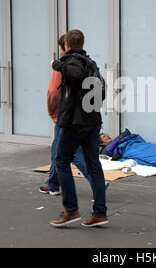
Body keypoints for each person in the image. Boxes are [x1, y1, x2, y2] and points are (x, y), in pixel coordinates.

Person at [50, 29, 108, 228]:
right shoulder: (91, 63)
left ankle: (70, 210)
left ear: (66, 45)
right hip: (92, 122)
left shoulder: (71, 61)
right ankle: (99, 213)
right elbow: (103, 91)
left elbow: (73, 73)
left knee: (61, 161)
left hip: (75, 123)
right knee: (94, 166)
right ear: (82, 44)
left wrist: (57, 64)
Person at [40, 34, 94, 195]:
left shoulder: (62, 65)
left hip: (65, 116)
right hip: (83, 114)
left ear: (66, 46)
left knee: (72, 152)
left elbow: (52, 94)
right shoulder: (87, 63)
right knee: (57, 150)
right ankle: (53, 184)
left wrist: (52, 112)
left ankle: (97, 180)